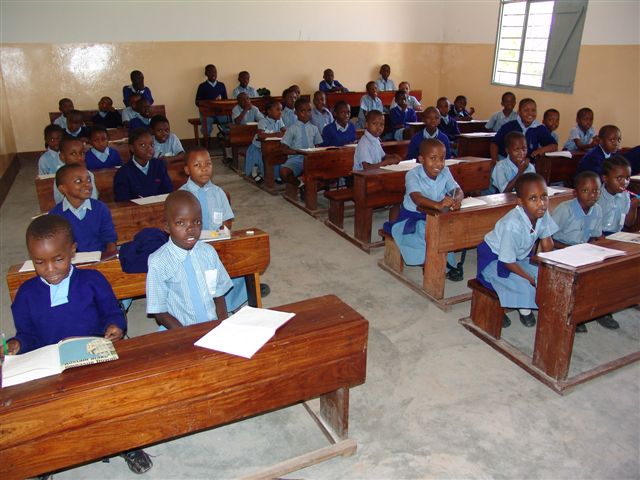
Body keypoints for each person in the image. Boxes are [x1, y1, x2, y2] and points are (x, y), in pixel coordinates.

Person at [7, 214, 152, 474]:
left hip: (91, 354)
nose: (50, 269)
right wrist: (17, 344)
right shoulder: (27, 294)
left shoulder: (92, 281)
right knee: (40, 411)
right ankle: (47, 458)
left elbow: (113, 312)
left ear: (73, 250)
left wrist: (115, 327)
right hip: (50, 363)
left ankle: (123, 444)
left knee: (112, 400)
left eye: (58, 259)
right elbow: (27, 334)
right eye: (40, 262)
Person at [476, 173, 557, 328]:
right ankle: (510, 307)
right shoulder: (512, 224)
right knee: (525, 283)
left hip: (519, 257)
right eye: (533, 198)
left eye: (544, 196)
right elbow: (507, 261)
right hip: (494, 259)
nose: (541, 203)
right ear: (520, 202)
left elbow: (547, 245)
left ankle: (519, 300)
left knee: (545, 278)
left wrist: (550, 270)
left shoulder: (542, 213)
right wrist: (530, 278)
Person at [146, 190, 232, 329]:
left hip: (212, 325)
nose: (191, 229)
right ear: (167, 226)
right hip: (178, 330)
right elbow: (160, 312)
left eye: (196, 222)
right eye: (181, 223)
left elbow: (219, 295)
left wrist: (222, 325)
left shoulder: (208, 253)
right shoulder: (158, 262)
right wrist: (185, 335)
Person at [179, 146, 249, 312]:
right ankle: (210, 306)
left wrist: (222, 233)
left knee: (241, 264)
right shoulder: (182, 196)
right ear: (187, 170)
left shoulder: (218, 193)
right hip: (193, 247)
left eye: (208, 164)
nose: (204, 169)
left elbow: (227, 220)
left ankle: (232, 304)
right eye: (197, 165)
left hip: (217, 242)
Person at [388, 138, 464, 281]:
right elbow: (417, 198)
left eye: (442, 159)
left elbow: (457, 190)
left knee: (447, 235)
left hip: (436, 216)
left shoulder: (445, 172)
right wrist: (438, 204)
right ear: (421, 159)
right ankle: (430, 264)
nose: (439, 164)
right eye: (433, 158)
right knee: (426, 236)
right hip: (413, 218)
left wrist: (457, 199)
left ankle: (444, 264)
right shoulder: (412, 174)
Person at [592, 156, 639, 330]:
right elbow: (594, 230)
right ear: (605, 178)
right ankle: (603, 310)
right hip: (598, 239)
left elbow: (628, 223)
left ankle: (627, 295)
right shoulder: (597, 197)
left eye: (627, 178)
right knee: (606, 272)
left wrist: (633, 207)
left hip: (617, 237)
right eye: (619, 178)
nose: (624, 182)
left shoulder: (625, 197)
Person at [49, 164, 117, 253]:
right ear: (63, 188)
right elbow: (57, 248)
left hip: (100, 258)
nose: (87, 184)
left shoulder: (100, 208)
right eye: (78, 181)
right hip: (72, 262)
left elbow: (110, 240)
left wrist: (108, 260)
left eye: (88, 180)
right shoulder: (55, 215)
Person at [280, 97, 323, 200]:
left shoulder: (314, 128)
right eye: (302, 111)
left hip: (311, 159)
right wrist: (297, 152)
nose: (306, 114)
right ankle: (300, 184)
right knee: (283, 173)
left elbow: (318, 146)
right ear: (296, 112)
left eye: (309, 111)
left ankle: (310, 188)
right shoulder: (291, 129)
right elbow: (284, 148)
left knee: (326, 171)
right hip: (296, 159)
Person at [113, 128, 173, 201]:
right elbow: (122, 201)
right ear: (132, 148)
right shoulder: (123, 173)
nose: (149, 148)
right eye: (143, 145)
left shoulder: (159, 165)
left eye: (151, 144)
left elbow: (168, 191)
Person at [491, 98, 557, 162]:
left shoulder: (539, 128)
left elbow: (554, 145)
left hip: (528, 163)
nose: (530, 113)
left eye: (533, 110)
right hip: (506, 162)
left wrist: (540, 150)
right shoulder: (509, 126)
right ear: (519, 112)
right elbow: (495, 143)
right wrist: (494, 160)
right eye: (526, 110)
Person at [552, 170, 603, 248]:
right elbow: (547, 237)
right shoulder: (565, 209)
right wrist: (570, 249)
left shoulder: (598, 210)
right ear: (575, 193)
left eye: (596, 190)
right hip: (560, 250)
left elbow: (594, 236)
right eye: (585, 190)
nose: (592, 195)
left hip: (582, 251)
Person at [244, 99, 286, 182]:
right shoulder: (263, 121)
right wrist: (275, 134)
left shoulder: (279, 120)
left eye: (281, 110)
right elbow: (260, 135)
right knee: (259, 160)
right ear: (269, 112)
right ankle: (255, 172)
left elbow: (285, 130)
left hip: (272, 147)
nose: (280, 112)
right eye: (277, 110)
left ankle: (276, 176)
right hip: (258, 147)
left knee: (278, 157)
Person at [53, 137, 98, 205]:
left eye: (82, 153)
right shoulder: (61, 176)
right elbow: (59, 201)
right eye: (73, 154)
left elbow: (93, 198)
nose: (79, 157)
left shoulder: (89, 174)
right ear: (62, 157)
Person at [195, 64, 229, 138]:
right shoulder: (202, 86)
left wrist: (220, 104)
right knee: (206, 122)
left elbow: (225, 100)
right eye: (210, 72)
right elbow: (197, 102)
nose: (213, 74)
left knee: (227, 119)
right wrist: (210, 104)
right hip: (207, 112)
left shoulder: (221, 85)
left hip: (219, 111)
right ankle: (207, 141)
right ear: (206, 74)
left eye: (215, 72)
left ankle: (226, 138)